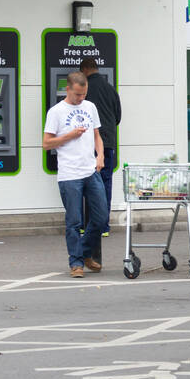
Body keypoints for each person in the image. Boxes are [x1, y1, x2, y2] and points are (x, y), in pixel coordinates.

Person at [42, 71, 107, 278]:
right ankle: (76, 263)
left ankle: (85, 253)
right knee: (74, 222)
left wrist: (101, 156)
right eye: (78, 94)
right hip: (69, 174)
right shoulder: (56, 112)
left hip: (90, 169)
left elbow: (97, 135)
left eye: (84, 94)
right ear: (68, 89)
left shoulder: (90, 107)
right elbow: (46, 143)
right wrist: (69, 135)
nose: (81, 98)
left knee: (101, 217)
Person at [79, 56, 121, 248]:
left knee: (85, 183)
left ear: (86, 69)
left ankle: (85, 225)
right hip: (109, 143)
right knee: (105, 184)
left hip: (89, 144)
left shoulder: (85, 90)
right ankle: (103, 226)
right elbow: (118, 117)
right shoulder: (110, 88)